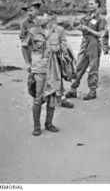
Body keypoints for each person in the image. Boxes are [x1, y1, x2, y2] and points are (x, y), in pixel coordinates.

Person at [22, 7, 74, 136]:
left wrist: (59, 48)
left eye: (41, 15)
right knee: (38, 99)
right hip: (39, 69)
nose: (38, 18)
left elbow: (66, 47)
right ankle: (36, 126)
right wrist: (28, 63)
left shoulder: (59, 30)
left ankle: (49, 123)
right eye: (37, 16)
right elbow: (24, 47)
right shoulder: (33, 31)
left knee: (52, 98)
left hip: (54, 69)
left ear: (50, 16)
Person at [65, 0, 106, 100]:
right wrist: (77, 26)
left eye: (92, 3)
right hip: (84, 42)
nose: (90, 6)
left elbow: (100, 34)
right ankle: (73, 90)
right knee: (78, 66)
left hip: (94, 43)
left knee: (93, 68)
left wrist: (88, 29)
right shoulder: (86, 17)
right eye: (89, 4)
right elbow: (79, 27)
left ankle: (92, 91)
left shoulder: (101, 18)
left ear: (98, 4)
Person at [19, 2, 41, 73]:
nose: (29, 13)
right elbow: (22, 37)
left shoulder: (42, 21)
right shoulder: (24, 22)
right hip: (32, 47)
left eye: (31, 10)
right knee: (24, 45)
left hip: (43, 48)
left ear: (37, 10)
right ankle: (28, 65)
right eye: (27, 11)